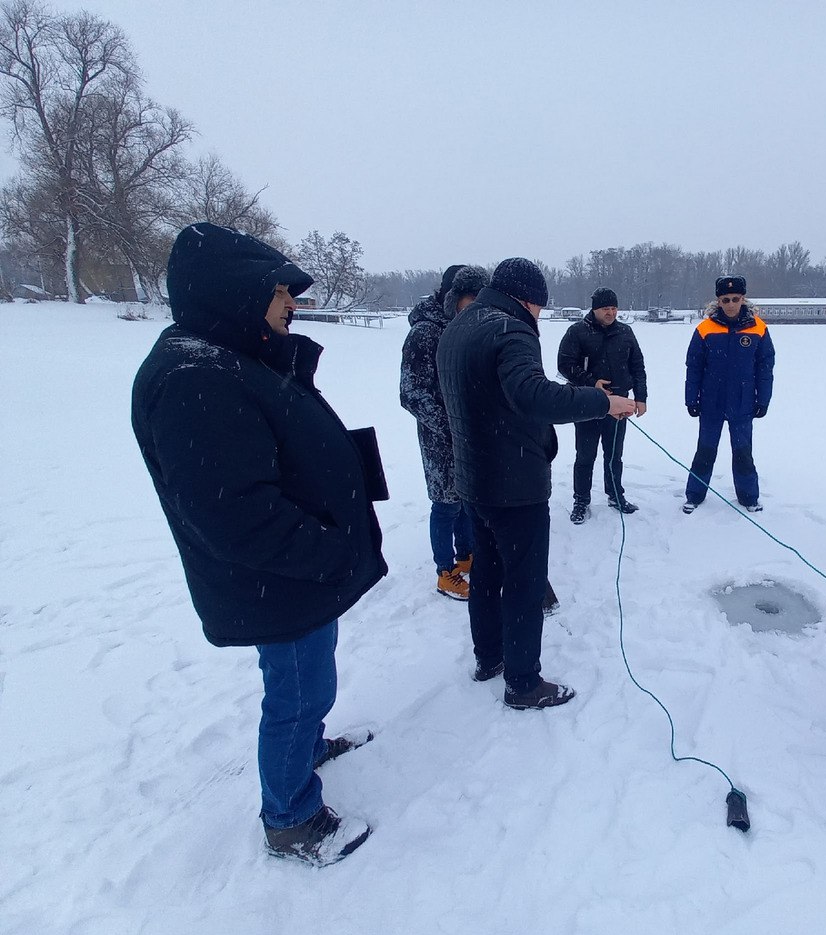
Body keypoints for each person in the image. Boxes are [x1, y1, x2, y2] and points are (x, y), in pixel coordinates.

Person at [131, 223, 388, 867]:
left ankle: (306, 749)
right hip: (278, 577)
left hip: (295, 571)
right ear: (235, 294)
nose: (291, 306)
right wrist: (328, 552)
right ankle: (292, 816)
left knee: (310, 681)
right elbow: (234, 514)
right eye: (279, 293)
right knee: (295, 692)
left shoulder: (230, 357)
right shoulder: (195, 379)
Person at [437, 258, 636, 708]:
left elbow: (492, 392)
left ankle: (489, 658)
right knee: (524, 583)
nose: (540, 316)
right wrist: (601, 402)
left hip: (475, 477)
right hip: (513, 481)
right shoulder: (511, 329)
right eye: (540, 308)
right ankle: (523, 683)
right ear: (529, 300)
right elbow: (531, 394)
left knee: (487, 573)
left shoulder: (460, 325)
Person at [401, 264, 489, 599]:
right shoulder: (424, 333)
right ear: (450, 296)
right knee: (445, 504)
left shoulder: (465, 327)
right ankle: (445, 571)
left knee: (466, 500)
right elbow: (411, 393)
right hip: (439, 438)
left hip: (467, 433)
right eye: (470, 298)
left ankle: (466, 555)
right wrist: (450, 428)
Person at [682, 275, 775, 513]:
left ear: (743, 299)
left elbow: (765, 368)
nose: (731, 304)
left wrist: (763, 400)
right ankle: (694, 494)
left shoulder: (758, 328)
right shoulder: (705, 329)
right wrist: (691, 399)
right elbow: (693, 367)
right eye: (726, 299)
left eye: (735, 299)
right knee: (705, 450)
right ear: (718, 301)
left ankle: (748, 497)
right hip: (711, 402)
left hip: (743, 403)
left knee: (743, 452)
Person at [556, 286, 649, 523]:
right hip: (588, 403)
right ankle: (581, 500)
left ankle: (615, 495)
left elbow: (637, 366)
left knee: (614, 455)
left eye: (614, 308)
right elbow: (565, 364)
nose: (610, 312)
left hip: (619, 404)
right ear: (595, 309)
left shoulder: (625, 332)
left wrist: (641, 397)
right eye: (605, 308)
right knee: (585, 455)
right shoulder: (577, 331)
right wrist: (591, 381)